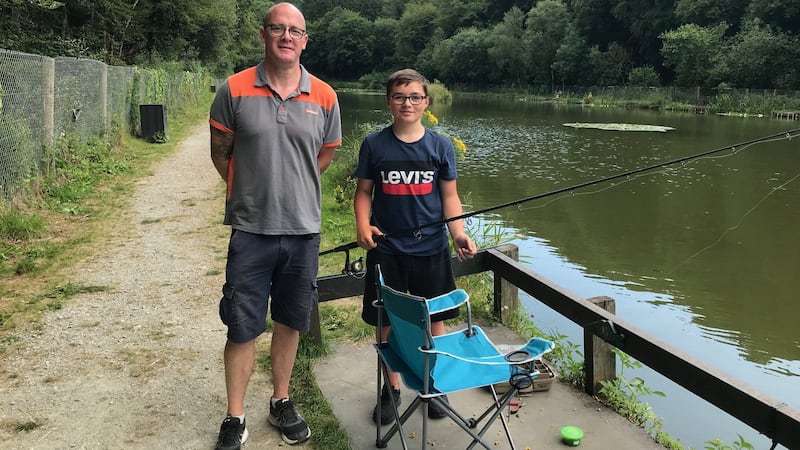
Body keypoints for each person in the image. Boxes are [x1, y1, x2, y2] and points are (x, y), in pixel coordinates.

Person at [208, 3, 341, 449]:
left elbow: (324, 155)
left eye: (295, 31)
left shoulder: (325, 96)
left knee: (289, 320)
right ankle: (235, 416)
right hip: (250, 231)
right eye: (278, 28)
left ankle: (280, 400)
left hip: (303, 231)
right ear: (263, 34)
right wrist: (252, 191)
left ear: (305, 41)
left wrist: (293, 187)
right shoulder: (233, 89)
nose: (286, 36)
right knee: (241, 325)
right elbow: (221, 152)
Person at [353, 69, 477, 425]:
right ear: (388, 102)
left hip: (432, 249)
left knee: (435, 319)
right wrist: (362, 224)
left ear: (426, 102)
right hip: (387, 250)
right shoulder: (374, 144)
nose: (407, 103)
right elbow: (364, 192)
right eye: (399, 96)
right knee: (386, 319)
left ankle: (432, 383)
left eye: (414, 97)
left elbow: (449, 197)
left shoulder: (440, 146)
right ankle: (391, 388)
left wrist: (458, 234)